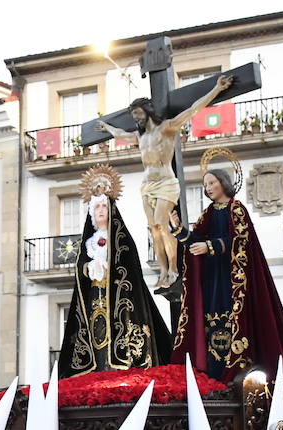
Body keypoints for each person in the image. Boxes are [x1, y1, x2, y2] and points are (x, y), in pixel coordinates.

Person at [170, 167, 283, 385]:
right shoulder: (208, 213)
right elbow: (196, 239)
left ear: (224, 183)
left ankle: (234, 371)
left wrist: (210, 246)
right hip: (212, 278)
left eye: (211, 183)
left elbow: (240, 240)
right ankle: (213, 372)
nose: (208, 189)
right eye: (205, 185)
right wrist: (179, 230)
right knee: (211, 322)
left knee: (231, 320)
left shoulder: (237, 209)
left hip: (233, 279)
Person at [96, 74, 235, 289]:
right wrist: (107, 128)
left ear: (148, 111)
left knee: (162, 223)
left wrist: (217, 90)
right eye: (134, 115)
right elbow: (120, 133)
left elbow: (193, 110)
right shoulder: (140, 137)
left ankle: (173, 268)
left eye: (138, 113)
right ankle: (162, 271)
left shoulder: (167, 128)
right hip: (147, 186)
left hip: (166, 183)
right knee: (153, 229)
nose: (136, 118)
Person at [56, 180, 173, 377]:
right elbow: (80, 267)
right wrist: (89, 267)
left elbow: (130, 267)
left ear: (111, 210)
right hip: (94, 298)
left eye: (104, 205)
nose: (100, 210)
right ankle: (97, 369)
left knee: (118, 335)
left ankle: (119, 368)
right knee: (96, 335)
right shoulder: (88, 242)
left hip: (119, 300)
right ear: (91, 212)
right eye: (97, 206)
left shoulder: (122, 239)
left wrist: (110, 268)